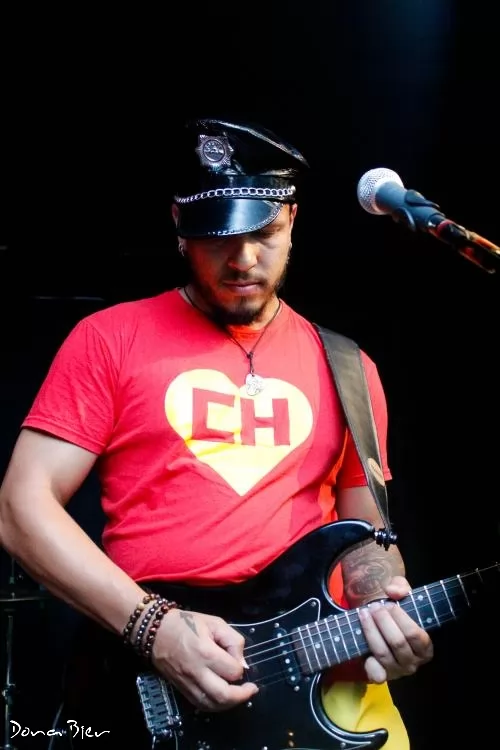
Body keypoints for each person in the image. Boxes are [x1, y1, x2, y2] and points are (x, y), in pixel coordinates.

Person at [0, 117, 433, 749]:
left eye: (264, 232)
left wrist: (384, 608)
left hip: (327, 693)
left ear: (293, 220)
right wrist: (156, 629)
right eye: (218, 237)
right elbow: (21, 508)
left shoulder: (350, 368)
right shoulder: (109, 339)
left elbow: (366, 534)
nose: (243, 259)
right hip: (151, 685)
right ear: (180, 227)